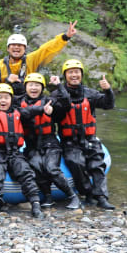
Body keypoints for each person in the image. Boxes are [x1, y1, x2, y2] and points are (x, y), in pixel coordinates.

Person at [50, 59, 116, 210]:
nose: (74, 75)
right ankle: (88, 193)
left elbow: (108, 104)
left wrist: (108, 91)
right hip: (69, 141)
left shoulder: (90, 93)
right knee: (76, 162)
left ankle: (102, 198)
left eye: (77, 72)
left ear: (81, 74)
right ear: (65, 75)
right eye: (70, 72)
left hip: (89, 138)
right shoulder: (57, 94)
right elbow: (53, 116)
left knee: (97, 164)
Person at [0, 83, 48, 218]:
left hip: (15, 152)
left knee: (25, 172)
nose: (3, 100)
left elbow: (31, 110)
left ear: (11, 99)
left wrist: (43, 108)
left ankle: (35, 204)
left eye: (6, 97)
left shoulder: (18, 112)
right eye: (0, 97)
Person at [16, 73, 80, 210]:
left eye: (37, 85)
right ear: (25, 87)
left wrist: (58, 85)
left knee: (51, 168)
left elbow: (66, 103)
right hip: (31, 144)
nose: (34, 88)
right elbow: (22, 113)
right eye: (31, 85)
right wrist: (41, 110)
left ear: (42, 88)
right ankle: (48, 196)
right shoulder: (18, 102)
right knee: (37, 166)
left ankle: (73, 196)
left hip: (50, 142)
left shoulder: (49, 101)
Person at [0, 21, 78, 95]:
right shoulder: (0, 65)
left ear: (25, 49)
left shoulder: (31, 59)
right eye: (13, 45)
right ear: (8, 49)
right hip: (5, 99)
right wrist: (8, 82)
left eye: (19, 45)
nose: (16, 47)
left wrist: (65, 37)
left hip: (26, 98)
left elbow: (47, 49)